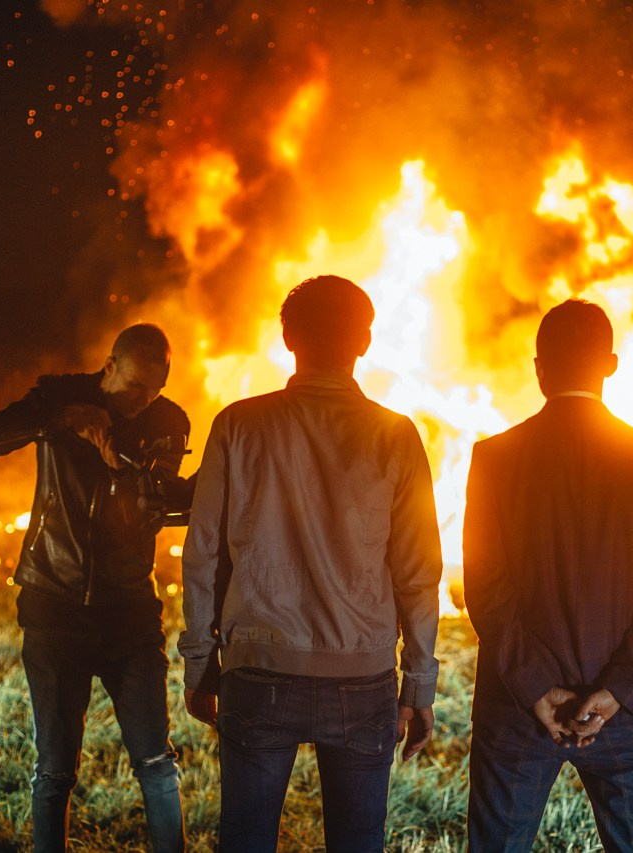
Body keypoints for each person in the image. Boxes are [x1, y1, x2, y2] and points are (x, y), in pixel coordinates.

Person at [178, 275, 443, 852]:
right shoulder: (396, 436)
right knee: (358, 843)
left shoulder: (237, 425)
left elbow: (202, 555)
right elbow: (418, 574)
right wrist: (419, 683)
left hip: (257, 670)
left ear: (288, 339)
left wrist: (200, 662)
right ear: (364, 341)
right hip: (363, 676)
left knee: (245, 840)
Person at [463, 299, 633, 853]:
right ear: (610, 365)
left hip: (519, 710)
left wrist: (535, 687)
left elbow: (486, 587)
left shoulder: (494, 459)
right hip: (626, 715)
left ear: (539, 368)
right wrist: (617, 690)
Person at [0, 324, 190, 853]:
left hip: (130, 612)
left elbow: (152, 511)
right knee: (55, 768)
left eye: (155, 387)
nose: (145, 398)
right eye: (135, 385)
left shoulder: (167, 421)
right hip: (55, 604)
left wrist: (121, 467)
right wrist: (60, 418)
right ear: (109, 367)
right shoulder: (59, 396)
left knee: (157, 762)